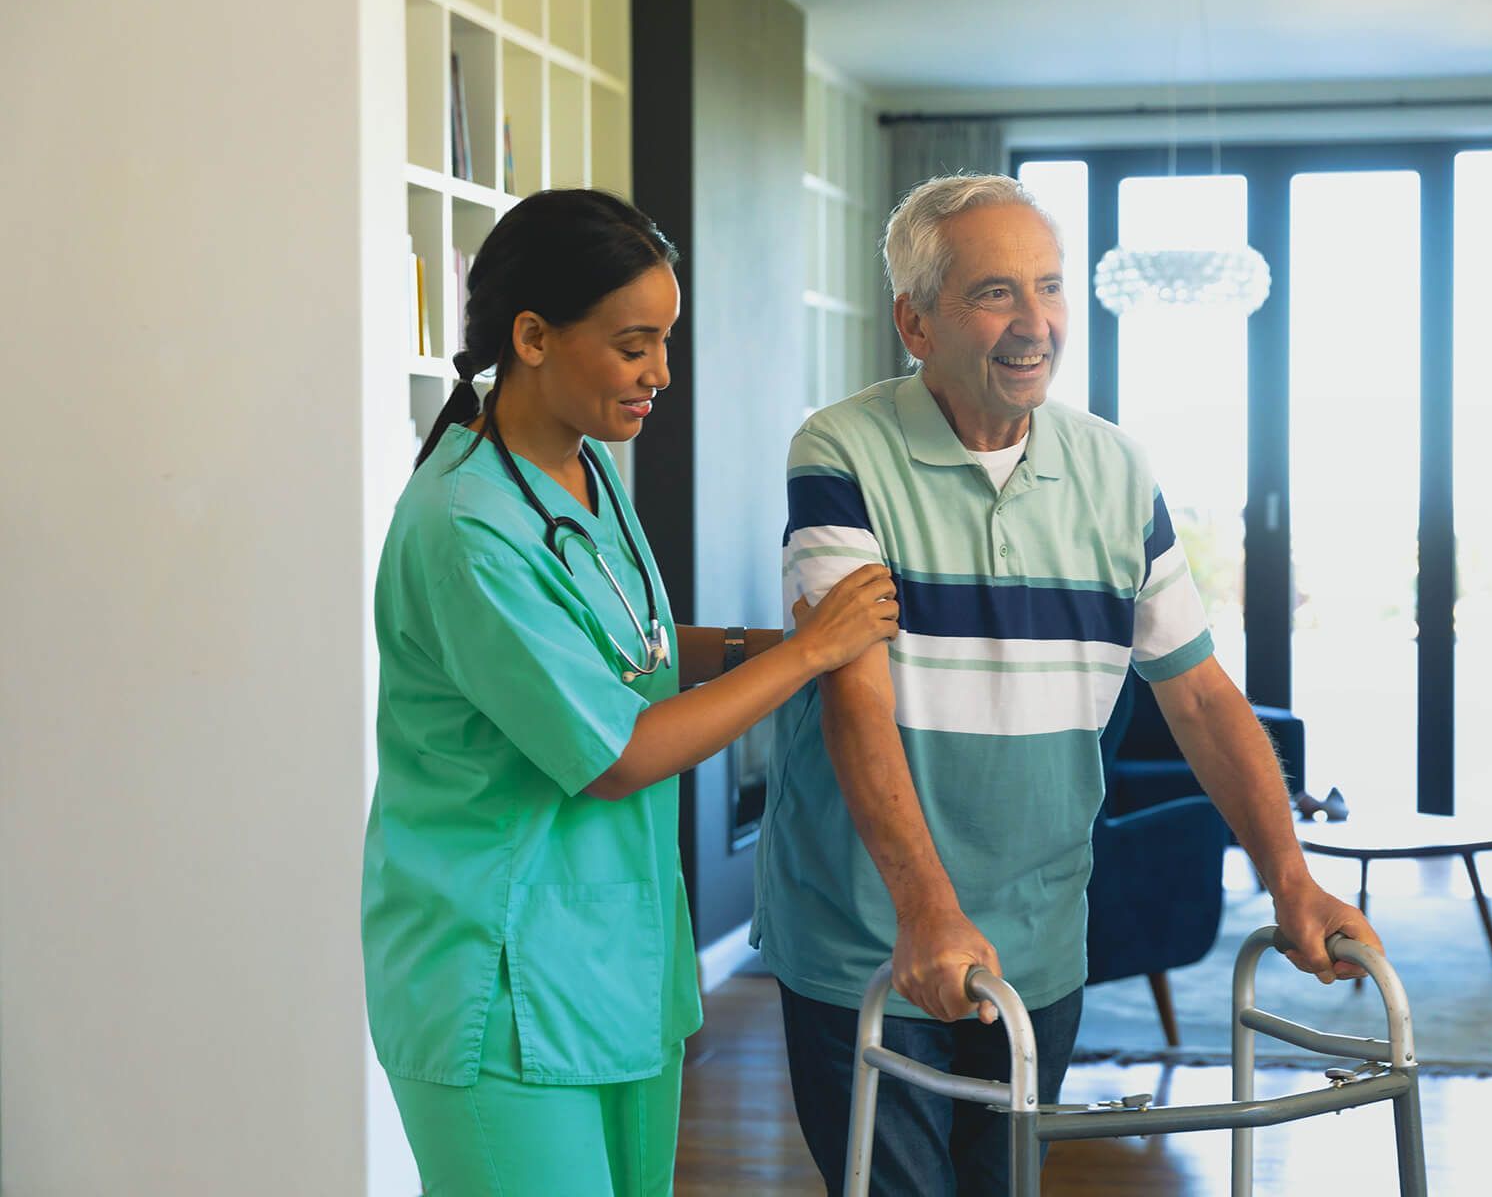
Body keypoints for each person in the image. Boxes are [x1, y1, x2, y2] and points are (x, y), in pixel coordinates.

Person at [753, 173, 1384, 1195]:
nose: (1036, 321)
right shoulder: (843, 452)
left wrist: (1290, 874)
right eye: (994, 292)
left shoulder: (1117, 472)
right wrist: (926, 908)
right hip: (872, 933)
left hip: (1038, 936)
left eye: (1049, 287)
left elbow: (1202, 697)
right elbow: (852, 692)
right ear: (915, 321)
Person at [362, 189, 899, 1196]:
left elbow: (633, 652)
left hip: (611, 962)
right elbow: (618, 753)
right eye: (633, 344)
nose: (659, 372)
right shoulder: (467, 524)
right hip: (496, 975)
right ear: (532, 336)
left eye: (665, 340)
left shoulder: (585, 470)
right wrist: (809, 655)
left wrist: (767, 643)